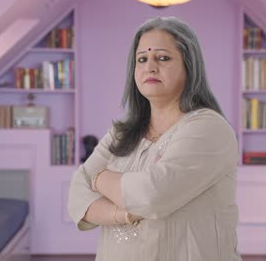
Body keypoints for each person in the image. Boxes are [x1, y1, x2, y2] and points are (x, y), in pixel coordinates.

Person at [68, 16, 241, 261]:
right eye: (142, 59)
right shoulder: (122, 133)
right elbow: (77, 195)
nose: (150, 66)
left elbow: (153, 194)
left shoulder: (209, 128)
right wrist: (123, 214)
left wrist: (97, 178)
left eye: (162, 57)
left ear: (189, 66)